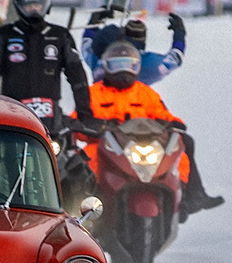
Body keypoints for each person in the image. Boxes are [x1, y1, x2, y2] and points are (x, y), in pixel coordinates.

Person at [89, 40, 221, 216]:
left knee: (181, 144)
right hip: (108, 148)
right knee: (86, 158)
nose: (123, 71)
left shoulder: (145, 93)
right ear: (106, 67)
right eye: (117, 65)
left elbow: (162, 113)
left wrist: (175, 122)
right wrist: (85, 126)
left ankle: (186, 194)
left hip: (141, 145)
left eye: (129, 65)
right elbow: (80, 119)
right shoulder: (94, 94)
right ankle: (88, 203)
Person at [0, 0, 93, 133]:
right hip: (13, 113)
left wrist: (85, 114)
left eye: (38, 4)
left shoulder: (60, 35)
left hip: (52, 117)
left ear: (47, 4)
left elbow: (77, 76)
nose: (34, 9)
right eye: (28, 5)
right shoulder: (4, 34)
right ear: (18, 5)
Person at [82, 12, 187, 85]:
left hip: (99, 105)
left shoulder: (97, 57)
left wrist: (93, 23)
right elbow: (175, 58)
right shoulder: (146, 64)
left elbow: (86, 44)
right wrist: (179, 34)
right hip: (131, 110)